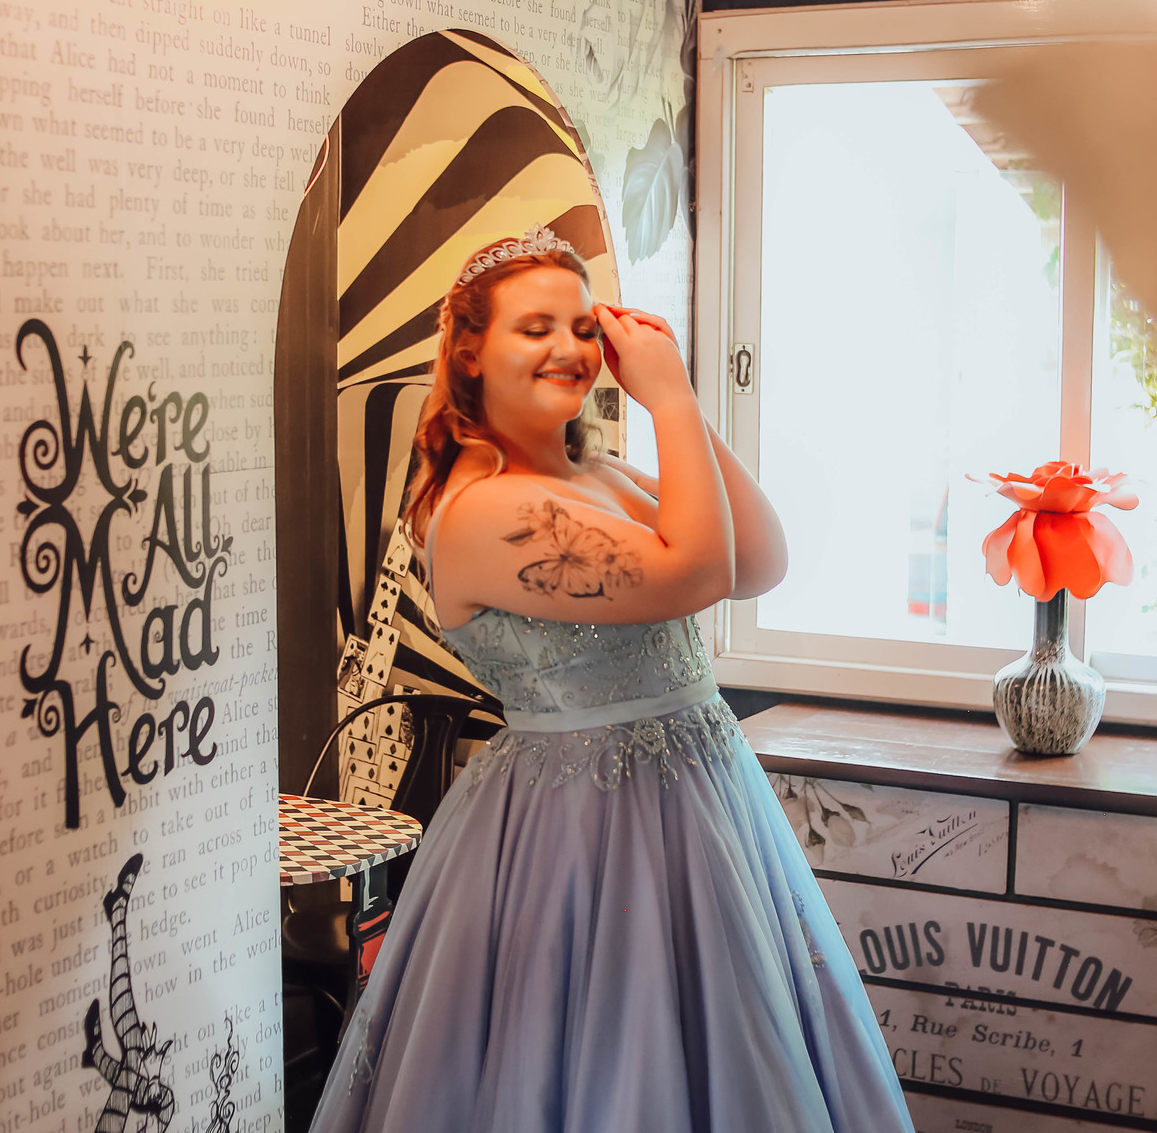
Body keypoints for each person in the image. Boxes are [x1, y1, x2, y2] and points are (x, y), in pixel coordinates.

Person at [309, 227, 912, 1133]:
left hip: (702, 807)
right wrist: (666, 400)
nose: (569, 347)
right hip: (579, 835)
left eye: (584, 327)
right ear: (470, 352)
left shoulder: (605, 476)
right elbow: (698, 572)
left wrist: (684, 404)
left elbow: (757, 561)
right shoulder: (485, 510)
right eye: (535, 327)